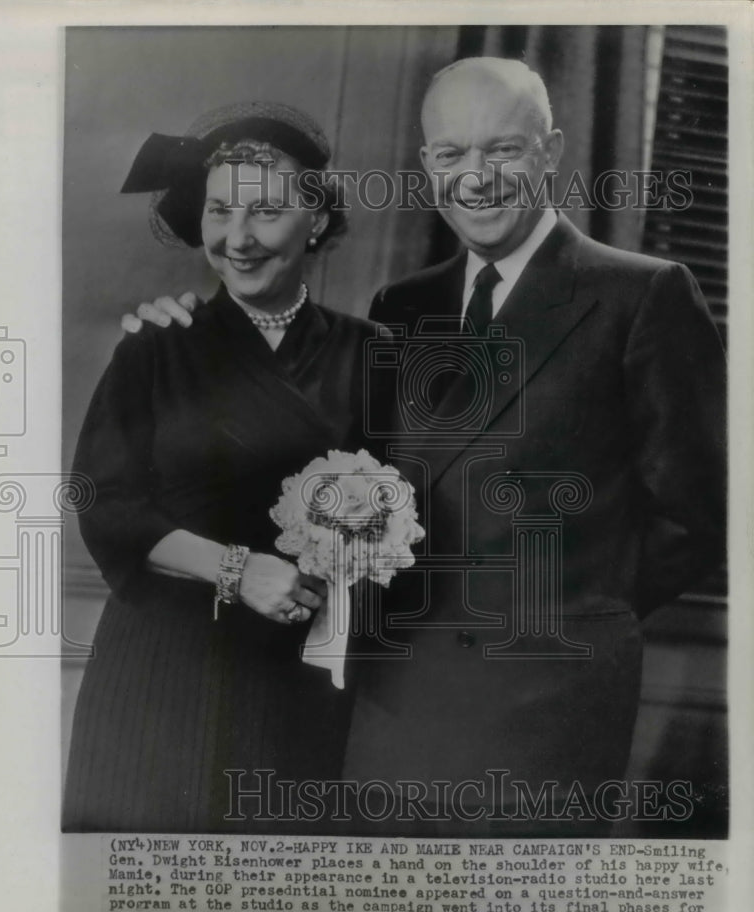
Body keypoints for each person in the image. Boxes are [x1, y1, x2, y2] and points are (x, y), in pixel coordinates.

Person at [121, 59, 726, 836]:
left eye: (502, 150)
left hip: (543, 705)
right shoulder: (402, 305)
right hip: (387, 701)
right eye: (449, 155)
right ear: (426, 163)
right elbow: (340, 473)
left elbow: (704, 511)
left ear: (552, 150)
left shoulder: (644, 294)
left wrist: (577, 607)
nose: (475, 177)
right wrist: (184, 339)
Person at [62, 102, 374, 832]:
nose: (238, 239)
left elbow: (411, 516)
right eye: (219, 212)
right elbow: (107, 505)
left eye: (266, 212)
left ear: (318, 220)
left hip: (294, 677)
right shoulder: (154, 347)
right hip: (158, 668)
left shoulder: (371, 357)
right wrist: (241, 571)